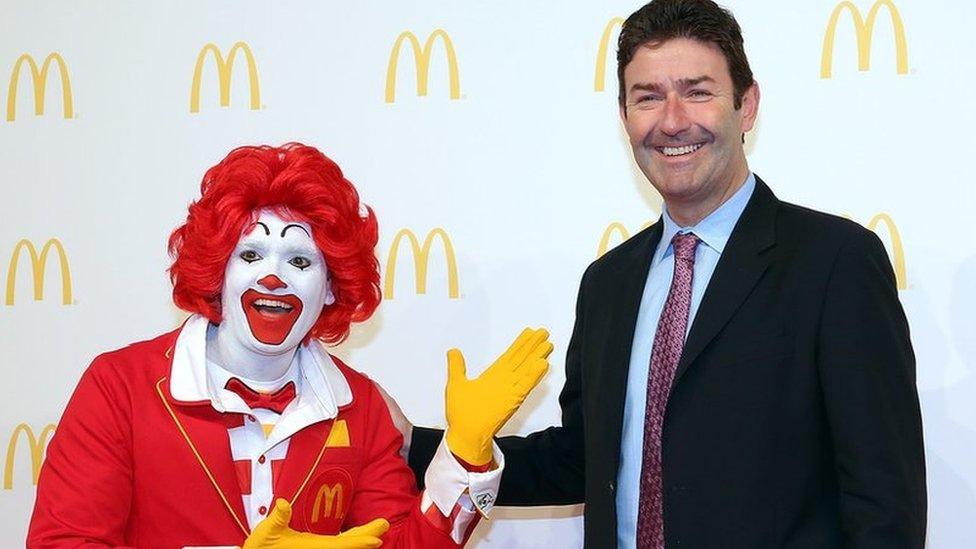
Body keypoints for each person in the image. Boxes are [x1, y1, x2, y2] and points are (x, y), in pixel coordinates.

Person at [392, 1, 927, 547]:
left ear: (747, 106)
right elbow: (582, 460)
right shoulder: (607, 283)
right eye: (648, 97)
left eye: (697, 91)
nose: (672, 121)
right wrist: (415, 445)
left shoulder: (835, 262)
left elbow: (884, 504)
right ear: (624, 116)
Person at [27, 143, 552, 548]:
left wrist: (462, 458)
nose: (272, 278)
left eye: (299, 262)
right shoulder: (121, 387)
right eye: (250, 255)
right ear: (216, 270)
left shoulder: (361, 408)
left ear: (330, 287)